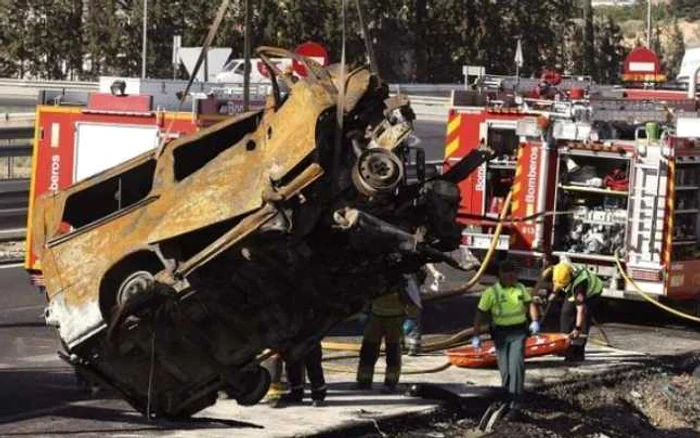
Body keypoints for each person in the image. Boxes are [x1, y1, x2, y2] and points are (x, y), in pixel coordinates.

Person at [472, 260, 539, 416]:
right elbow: (479, 314)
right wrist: (476, 336)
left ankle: (516, 403)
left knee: (516, 365)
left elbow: (531, 304)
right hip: (501, 335)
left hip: (518, 333)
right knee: (505, 370)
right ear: (500, 275)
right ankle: (507, 399)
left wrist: (534, 321)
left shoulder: (520, 288)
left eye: (514, 273)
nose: (511, 276)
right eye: (507, 273)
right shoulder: (491, 292)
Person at [356, 285, 409, 393]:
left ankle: (390, 382)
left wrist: (412, 317)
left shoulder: (402, 278)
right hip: (376, 316)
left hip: (395, 318)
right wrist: (365, 310)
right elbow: (368, 293)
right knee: (368, 350)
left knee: (392, 352)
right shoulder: (377, 275)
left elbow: (412, 297)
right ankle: (364, 380)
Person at [549, 261, 603, 362]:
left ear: (569, 277)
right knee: (566, 312)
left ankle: (578, 351)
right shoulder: (560, 269)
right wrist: (553, 293)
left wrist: (577, 328)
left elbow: (580, 309)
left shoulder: (580, 286)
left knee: (584, 319)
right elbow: (557, 281)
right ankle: (564, 345)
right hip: (573, 286)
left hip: (592, 293)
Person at [275, 341, 327, 407]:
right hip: (293, 338)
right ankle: (296, 392)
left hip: (309, 337)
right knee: (292, 361)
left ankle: (318, 395)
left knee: (312, 361)